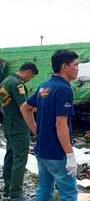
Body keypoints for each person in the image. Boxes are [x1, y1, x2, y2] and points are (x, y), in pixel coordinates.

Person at [20, 50, 79, 200]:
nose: (78, 68)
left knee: (44, 189)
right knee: (69, 192)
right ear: (65, 67)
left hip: (41, 150)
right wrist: (70, 155)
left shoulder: (44, 86)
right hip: (56, 152)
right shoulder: (64, 89)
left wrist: (36, 132)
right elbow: (61, 125)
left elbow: (25, 108)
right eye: (75, 65)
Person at [0, 62, 38, 201]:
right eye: (31, 77)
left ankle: (7, 190)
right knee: (20, 159)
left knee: (10, 157)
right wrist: (41, 109)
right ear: (28, 72)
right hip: (19, 127)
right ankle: (16, 193)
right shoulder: (18, 85)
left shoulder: (6, 81)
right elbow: (25, 107)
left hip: (8, 124)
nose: (29, 79)